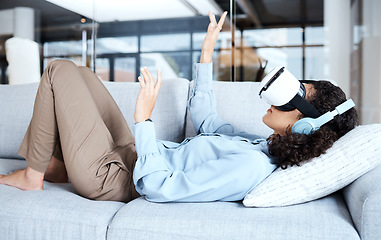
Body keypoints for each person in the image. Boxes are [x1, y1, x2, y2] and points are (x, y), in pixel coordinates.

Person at [0, 11, 358, 203]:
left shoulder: (249, 168)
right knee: (82, 74)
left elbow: (157, 188)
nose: (281, 94)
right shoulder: (258, 145)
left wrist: (144, 118)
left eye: (297, 92)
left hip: (118, 179)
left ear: (304, 125)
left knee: (58, 70)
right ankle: (54, 167)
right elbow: (207, 122)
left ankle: (34, 177)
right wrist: (206, 56)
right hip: (132, 153)